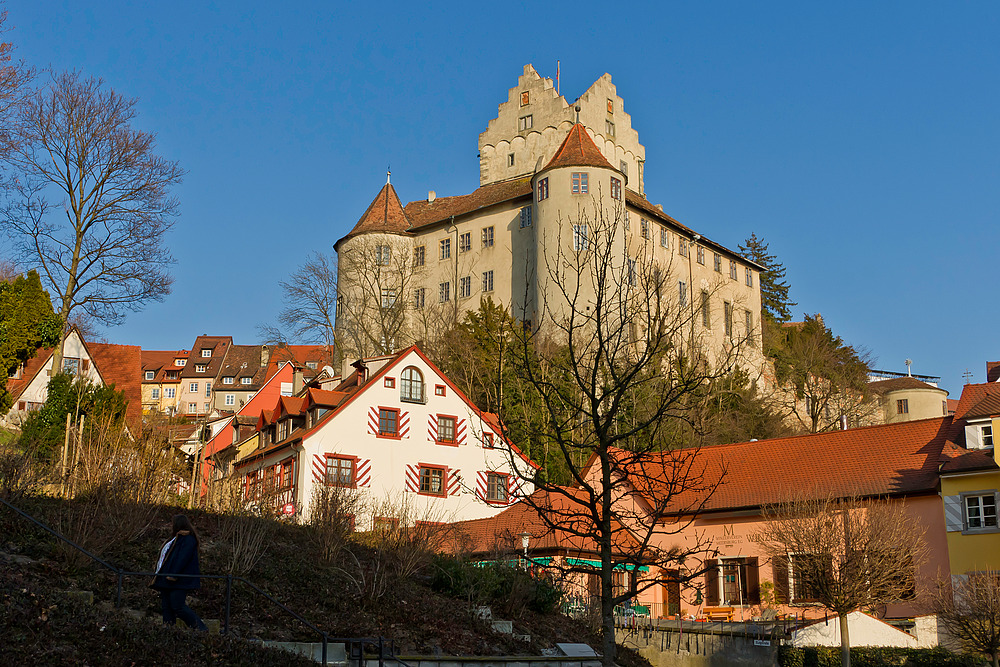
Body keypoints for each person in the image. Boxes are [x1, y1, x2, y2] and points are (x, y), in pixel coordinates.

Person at [150, 514, 208, 631]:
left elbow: (182, 558)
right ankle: (168, 629)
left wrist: (174, 574)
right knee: (167, 607)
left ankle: (200, 628)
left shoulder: (187, 539)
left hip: (178, 579)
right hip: (167, 578)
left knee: (177, 606)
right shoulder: (176, 539)